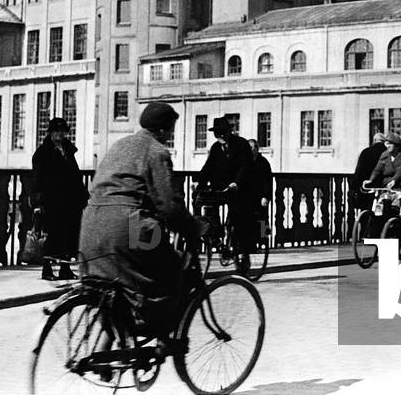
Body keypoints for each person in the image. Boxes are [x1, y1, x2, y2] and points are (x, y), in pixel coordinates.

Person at [78, 102, 203, 335]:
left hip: (91, 225)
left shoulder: (120, 146)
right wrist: (193, 228)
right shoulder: (157, 151)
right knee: (175, 267)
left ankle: (114, 348)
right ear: (164, 130)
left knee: (112, 286)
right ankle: (162, 335)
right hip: (131, 225)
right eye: (172, 129)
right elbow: (169, 206)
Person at [31, 117, 88, 281]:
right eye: (56, 131)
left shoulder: (68, 151)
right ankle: (47, 269)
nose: (60, 134)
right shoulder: (42, 153)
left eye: (62, 131)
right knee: (52, 234)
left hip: (70, 201)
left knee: (69, 235)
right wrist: (38, 202)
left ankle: (65, 268)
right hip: (52, 201)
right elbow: (37, 179)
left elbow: (76, 176)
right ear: (50, 133)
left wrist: (83, 196)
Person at [196, 117, 254, 274]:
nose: (220, 137)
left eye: (222, 133)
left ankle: (241, 252)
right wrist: (199, 183)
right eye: (217, 134)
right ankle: (218, 240)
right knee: (210, 210)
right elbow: (208, 168)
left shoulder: (241, 145)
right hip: (220, 188)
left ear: (229, 132)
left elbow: (245, 166)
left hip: (238, 189)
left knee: (237, 218)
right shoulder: (216, 148)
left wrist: (237, 183)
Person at [351, 132, 388, 211]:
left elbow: (359, 171)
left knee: (366, 211)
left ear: (374, 140)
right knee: (380, 212)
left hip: (367, 188)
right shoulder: (387, 152)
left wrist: (354, 186)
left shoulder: (366, 152)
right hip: (382, 187)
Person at [247, 138, 273, 234]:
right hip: (248, 196)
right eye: (249, 148)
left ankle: (264, 240)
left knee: (263, 220)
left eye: (254, 147)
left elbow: (267, 181)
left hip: (260, 196)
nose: (252, 150)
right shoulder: (245, 161)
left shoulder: (263, 162)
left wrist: (265, 196)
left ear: (257, 149)